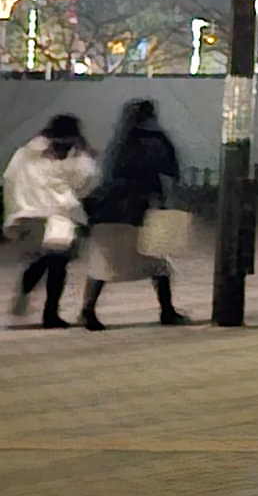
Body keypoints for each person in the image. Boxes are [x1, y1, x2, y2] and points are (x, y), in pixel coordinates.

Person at [72, 97, 187, 330]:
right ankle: (167, 310)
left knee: (103, 263)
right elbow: (171, 172)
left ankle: (87, 311)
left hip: (108, 211)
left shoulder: (119, 141)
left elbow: (106, 174)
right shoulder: (156, 140)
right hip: (139, 211)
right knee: (158, 263)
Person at [6, 111, 95, 328]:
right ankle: (49, 312)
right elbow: (85, 181)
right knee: (55, 264)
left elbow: (10, 178)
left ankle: (28, 296)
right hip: (55, 216)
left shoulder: (26, 152)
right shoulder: (71, 156)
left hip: (29, 215)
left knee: (43, 260)